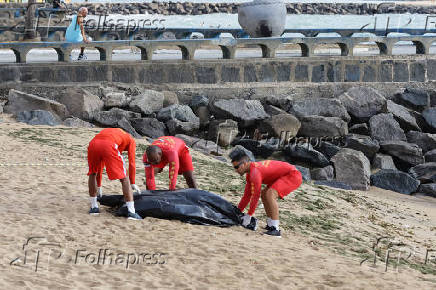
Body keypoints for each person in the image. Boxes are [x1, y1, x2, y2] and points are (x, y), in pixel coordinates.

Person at [231, 152, 302, 237]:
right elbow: (247, 195)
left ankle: (275, 229)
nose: (236, 170)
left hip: (293, 175)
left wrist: (249, 215)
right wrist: (238, 211)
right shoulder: (250, 173)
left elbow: (255, 197)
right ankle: (270, 224)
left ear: (245, 164)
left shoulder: (254, 173)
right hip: (283, 175)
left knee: (270, 194)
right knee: (264, 194)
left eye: (236, 167)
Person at [87, 128, 142, 220]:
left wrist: (99, 185)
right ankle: (132, 212)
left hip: (93, 143)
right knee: (124, 178)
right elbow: (132, 163)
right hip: (109, 144)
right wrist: (132, 182)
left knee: (92, 173)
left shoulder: (116, 133)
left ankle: (94, 207)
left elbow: (100, 165)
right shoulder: (131, 140)